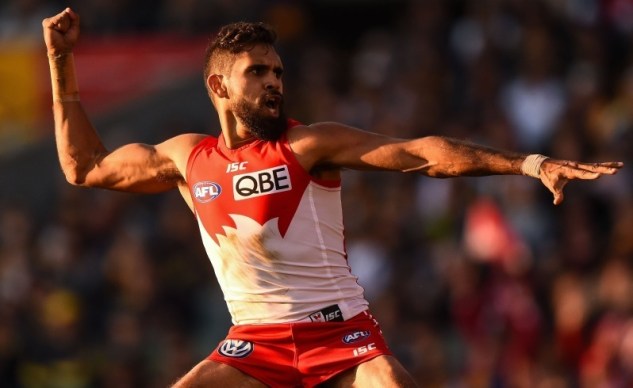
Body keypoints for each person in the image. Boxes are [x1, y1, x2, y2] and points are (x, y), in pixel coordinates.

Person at [42, 7, 623, 388]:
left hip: (341, 336)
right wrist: (60, 60)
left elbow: (420, 153)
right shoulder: (186, 158)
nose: (274, 80)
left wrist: (528, 162)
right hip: (255, 345)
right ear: (219, 86)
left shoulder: (309, 143)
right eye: (258, 72)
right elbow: (83, 167)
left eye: (277, 70)